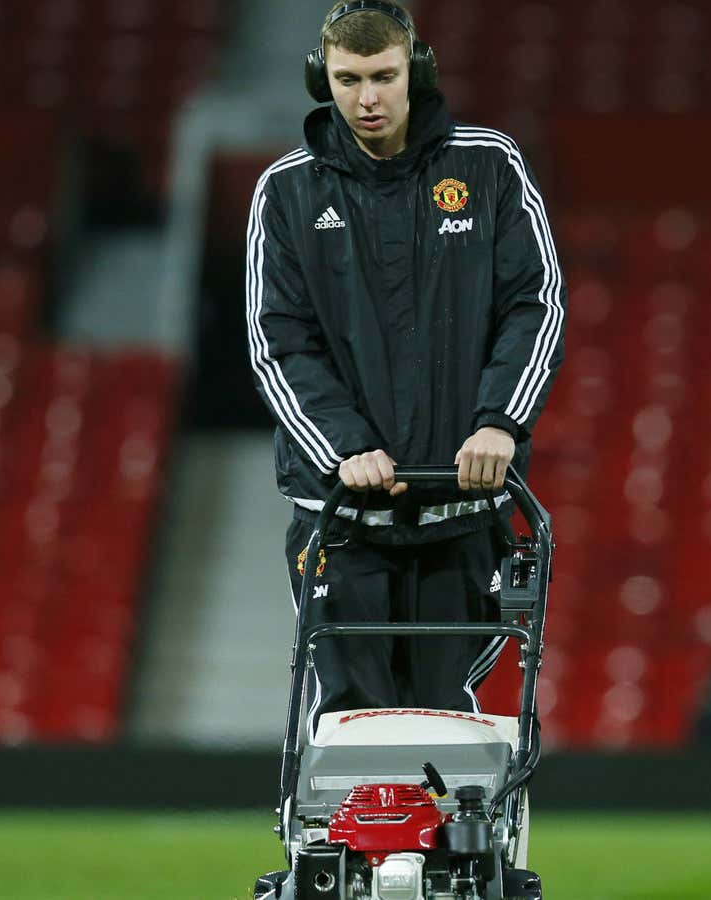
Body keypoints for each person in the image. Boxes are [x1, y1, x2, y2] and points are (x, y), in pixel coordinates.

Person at [246, 0, 565, 723]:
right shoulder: (286, 191)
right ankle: (359, 840)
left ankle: (442, 839)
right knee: (354, 716)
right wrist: (344, 449)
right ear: (319, 79)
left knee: (441, 718)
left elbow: (536, 304)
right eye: (347, 78)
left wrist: (501, 422)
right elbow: (276, 342)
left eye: (384, 76)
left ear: (415, 71)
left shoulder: (490, 166)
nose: (366, 98)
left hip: (463, 514)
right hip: (342, 519)